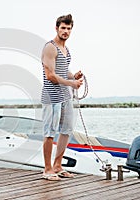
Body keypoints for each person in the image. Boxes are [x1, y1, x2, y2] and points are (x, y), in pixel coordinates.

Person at [41, 14, 83, 181]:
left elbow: (62, 71)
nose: (65, 31)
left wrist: (73, 77)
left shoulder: (66, 50)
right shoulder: (50, 47)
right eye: (63, 28)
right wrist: (71, 84)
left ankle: (58, 166)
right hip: (51, 97)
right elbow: (50, 75)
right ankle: (47, 169)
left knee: (66, 131)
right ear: (56, 28)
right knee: (50, 132)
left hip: (65, 96)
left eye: (68, 28)